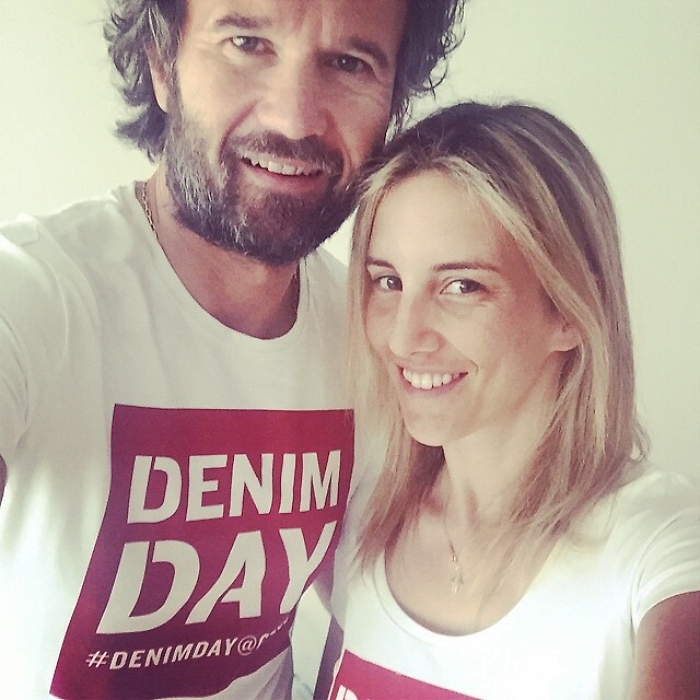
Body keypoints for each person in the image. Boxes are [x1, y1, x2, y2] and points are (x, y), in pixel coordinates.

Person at [0, 1, 467, 698]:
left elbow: (394, 617)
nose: (294, 118)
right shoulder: (35, 292)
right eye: (247, 43)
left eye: (348, 63)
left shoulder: (377, 336)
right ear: (162, 65)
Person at [328, 102, 700, 700]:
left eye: (461, 286)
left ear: (569, 311)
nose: (402, 336)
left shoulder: (658, 542)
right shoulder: (362, 519)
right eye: (388, 281)